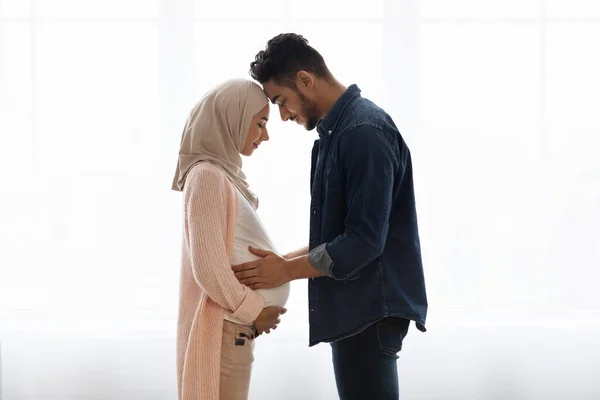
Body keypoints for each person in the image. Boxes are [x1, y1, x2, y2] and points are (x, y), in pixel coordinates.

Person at [232, 33, 428, 399]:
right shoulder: (338, 136)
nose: (284, 115)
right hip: (359, 310)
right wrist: (278, 263)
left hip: (370, 311)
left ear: (305, 80)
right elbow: (338, 237)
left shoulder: (363, 132)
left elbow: (363, 242)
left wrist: (286, 269)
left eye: (282, 101)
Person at [172, 78, 289, 400]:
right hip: (226, 328)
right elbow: (208, 269)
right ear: (232, 117)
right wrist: (255, 310)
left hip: (234, 328)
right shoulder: (207, 177)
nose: (265, 135)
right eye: (261, 123)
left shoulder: (222, 176)